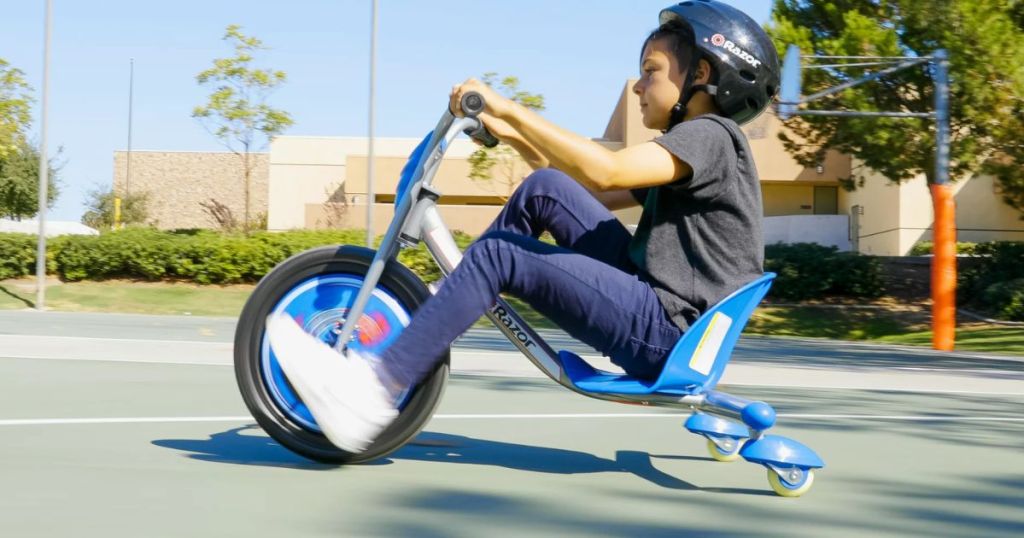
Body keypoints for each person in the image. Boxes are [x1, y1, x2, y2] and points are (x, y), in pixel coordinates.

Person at [267, 0, 781, 453]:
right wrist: (506, 129)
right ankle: (445, 306)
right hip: (655, 308)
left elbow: (606, 170)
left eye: (652, 71)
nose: (639, 85)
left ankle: (369, 396)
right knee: (546, 191)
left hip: (667, 332)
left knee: (499, 256)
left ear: (702, 75)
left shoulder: (710, 136)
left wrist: (509, 105)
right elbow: (582, 188)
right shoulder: (692, 148)